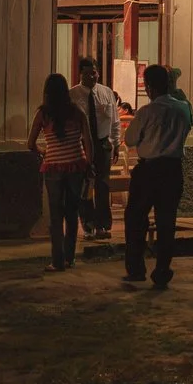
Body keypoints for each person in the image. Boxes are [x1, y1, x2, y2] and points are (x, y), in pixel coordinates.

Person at [122, 64, 192, 290]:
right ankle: (162, 270)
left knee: (135, 219)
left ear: (149, 87)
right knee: (166, 221)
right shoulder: (184, 108)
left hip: (149, 169)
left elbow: (130, 140)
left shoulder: (146, 112)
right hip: (172, 169)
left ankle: (136, 269)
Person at [26, 73, 93, 273]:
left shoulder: (43, 114)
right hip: (75, 166)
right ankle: (70, 258)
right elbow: (88, 141)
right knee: (72, 213)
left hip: (53, 166)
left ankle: (57, 261)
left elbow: (30, 144)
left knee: (56, 215)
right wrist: (88, 164)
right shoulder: (77, 111)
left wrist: (44, 151)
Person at [69, 57, 118, 240]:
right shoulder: (72, 95)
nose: (92, 76)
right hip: (82, 144)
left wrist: (115, 143)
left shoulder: (106, 93)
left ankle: (103, 225)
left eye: (95, 72)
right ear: (80, 73)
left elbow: (114, 121)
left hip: (103, 142)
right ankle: (88, 225)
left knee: (103, 184)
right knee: (85, 185)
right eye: (88, 73)